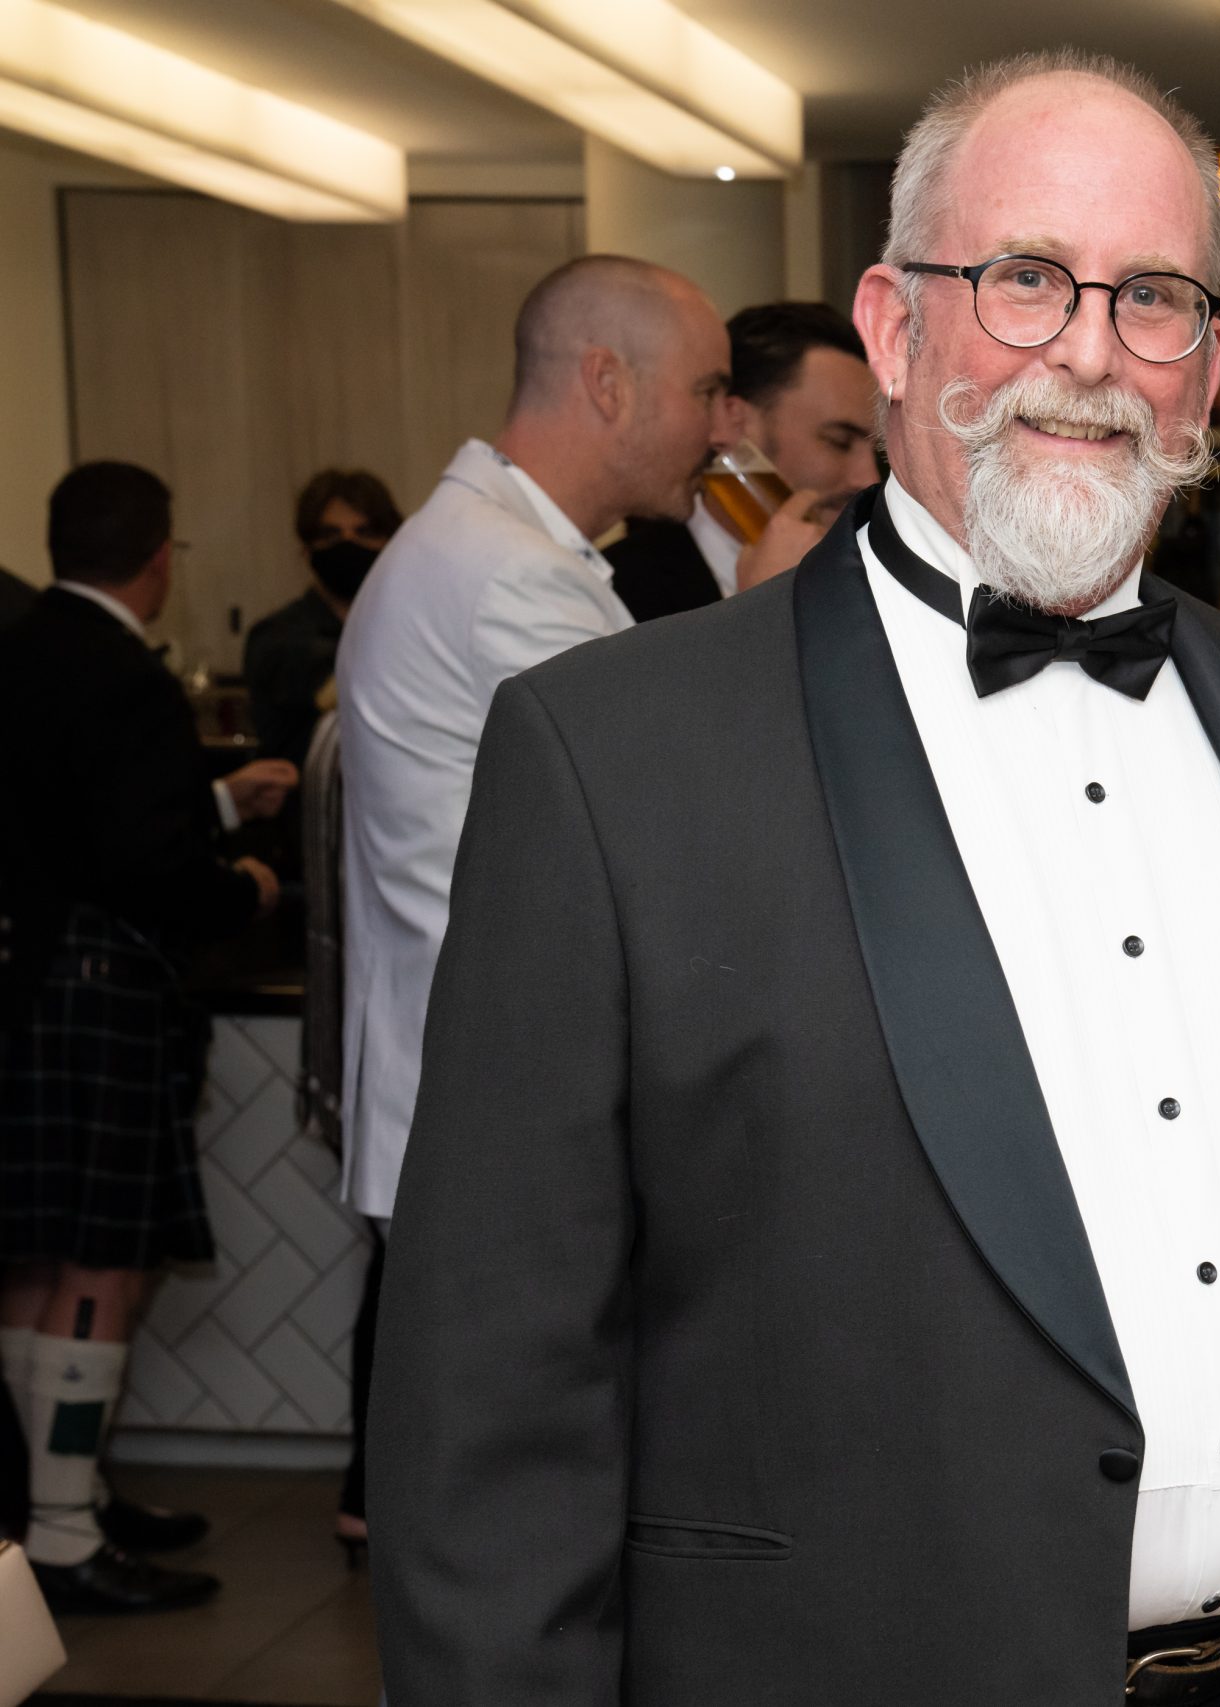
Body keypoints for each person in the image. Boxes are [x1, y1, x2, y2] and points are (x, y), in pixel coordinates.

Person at [370, 50, 1220, 1706]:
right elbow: (492, 1397)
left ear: (1210, 369)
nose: (1090, 351)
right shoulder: (614, 756)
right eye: (1027, 277)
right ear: (891, 323)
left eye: (1155, 298)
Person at [335, 253, 726, 1242]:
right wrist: (765, 613)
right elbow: (667, 828)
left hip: (481, 1099)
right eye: (706, 391)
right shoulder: (510, 574)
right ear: (608, 382)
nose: (722, 430)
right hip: (495, 1112)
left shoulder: (491, 546)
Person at [0, 462, 295, 1613]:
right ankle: (67, 1532)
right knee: (98, 1268)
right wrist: (245, 885)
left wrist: (214, 803)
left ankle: (48, 1502)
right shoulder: (128, 675)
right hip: (104, 994)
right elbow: (145, 867)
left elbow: (67, 822)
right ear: (160, 557)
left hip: (30, 988)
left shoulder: (19, 648)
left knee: (36, 1265)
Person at [606, 301, 878, 621]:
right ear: (736, 423)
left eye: (876, 451)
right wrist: (766, 609)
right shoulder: (619, 588)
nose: (869, 478)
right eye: (839, 441)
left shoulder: (867, 585)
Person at [243, 470, 403, 767]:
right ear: (307, 550)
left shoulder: (401, 627)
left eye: (364, 532)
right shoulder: (275, 637)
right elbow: (345, 683)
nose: (348, 544)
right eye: (331, 535)